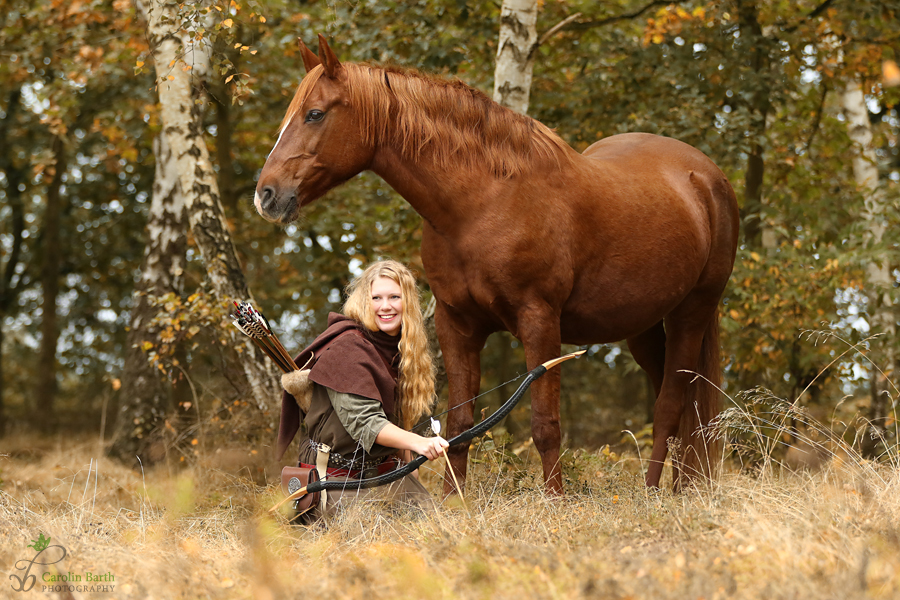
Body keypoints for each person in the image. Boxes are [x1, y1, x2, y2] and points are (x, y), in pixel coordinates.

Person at [275, 260, 448, 523]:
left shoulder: (399, 349)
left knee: (437, 532)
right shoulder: (348, 348)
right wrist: (420, 443)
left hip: (382, 473)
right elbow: (366, 424)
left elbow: (394, 419)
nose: (385, 306)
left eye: (394, 297)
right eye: (376, 297)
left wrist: (408, 467)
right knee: (376, 542)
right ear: (365, 302)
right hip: (333, 480)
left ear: (408, 303)